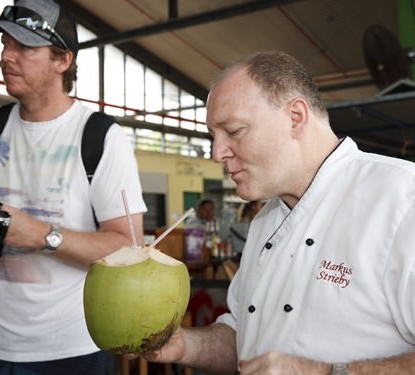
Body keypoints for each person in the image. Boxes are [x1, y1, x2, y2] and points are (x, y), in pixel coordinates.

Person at [138, 50, 415, 374]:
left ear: (295, 117)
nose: (217, 153)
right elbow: (245, 338)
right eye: (214, 136)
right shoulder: (265, 220)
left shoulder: (401, 199)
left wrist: (325, 372)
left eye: (235, 131)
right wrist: (185, 345)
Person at [0, 0, 146, 374]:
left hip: (71, 347)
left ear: (62, 61)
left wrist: (41, 235)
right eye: (5, 44)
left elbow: (127, 246)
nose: (7, 56)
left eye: (25, 47)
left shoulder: (100, 136)